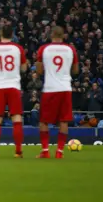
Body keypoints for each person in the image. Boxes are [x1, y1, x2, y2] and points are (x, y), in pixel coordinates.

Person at [35, 26, 79, 159]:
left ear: (51, 35)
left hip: (50, 88)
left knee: (43, 121)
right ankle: (59, 152)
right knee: (64, 120)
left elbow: (39, 71)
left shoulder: (43, 49)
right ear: (63, 36)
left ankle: (45, 151)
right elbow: (76, 70)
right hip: (65, 88)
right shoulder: (71, 49)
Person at [0, 24, 26, 158]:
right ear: (12, 34)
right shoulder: (18, 48)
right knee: (17, 118)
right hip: (14, 85)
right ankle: (18, 151)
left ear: (1, 33)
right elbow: (24, 68)